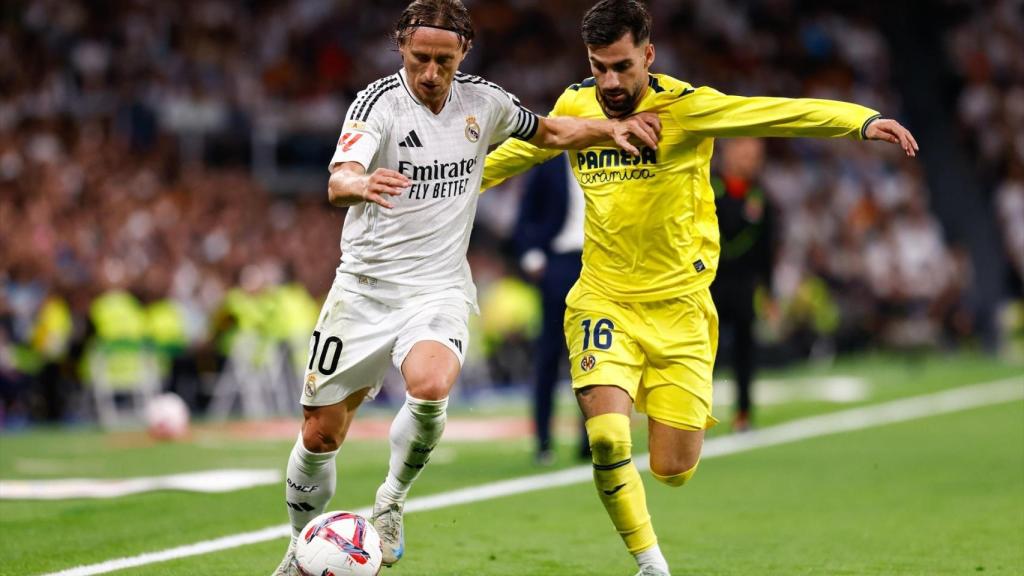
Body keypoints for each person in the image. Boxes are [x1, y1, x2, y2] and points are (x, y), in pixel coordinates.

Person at [482, 1, 918, 574]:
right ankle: (650, 563)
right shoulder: (576, 105)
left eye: (621, 66)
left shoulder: (687, 107)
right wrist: (447, 184)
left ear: (649, 55)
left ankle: (653, 416)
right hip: (603, 298)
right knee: (610, 440)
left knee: (672, 469)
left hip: (681, 311)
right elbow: (527, 147)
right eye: (598, 67)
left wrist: (860, 121)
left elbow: (775, 114)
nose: (610, 82)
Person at [272, 1, 661, 574]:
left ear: (463, 54)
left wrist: (611, 126)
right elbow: (338, 179)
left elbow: (550, 130)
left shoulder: (486, 101)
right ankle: (296, 547)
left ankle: (391, 502)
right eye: (420, 58)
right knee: (320, 434)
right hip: (364, 289)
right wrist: (360, 182)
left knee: (430, 388)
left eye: (443, 60)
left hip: (439, 288)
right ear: (401, 48)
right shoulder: (376, 105)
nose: (430, 72)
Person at [512, 154, 590, 464]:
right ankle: (543, 440)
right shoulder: (550, 164)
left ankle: (593, 439)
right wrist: (532, 255)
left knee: (593, 355)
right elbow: (526, 213)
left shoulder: (609, 160)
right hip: (559, 261)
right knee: (549, 355)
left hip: (598, 262)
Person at [709, 138, 776, 432]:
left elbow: (767, 250)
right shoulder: (709, 189)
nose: (752, 160)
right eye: (746, 153)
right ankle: (694, 417)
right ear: (729, 152)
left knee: (746, 351)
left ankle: (743, 414)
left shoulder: (761, 196)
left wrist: (769, 293)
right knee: (701, 352)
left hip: (745, 285)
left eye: (756, 155)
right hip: (709, 282)